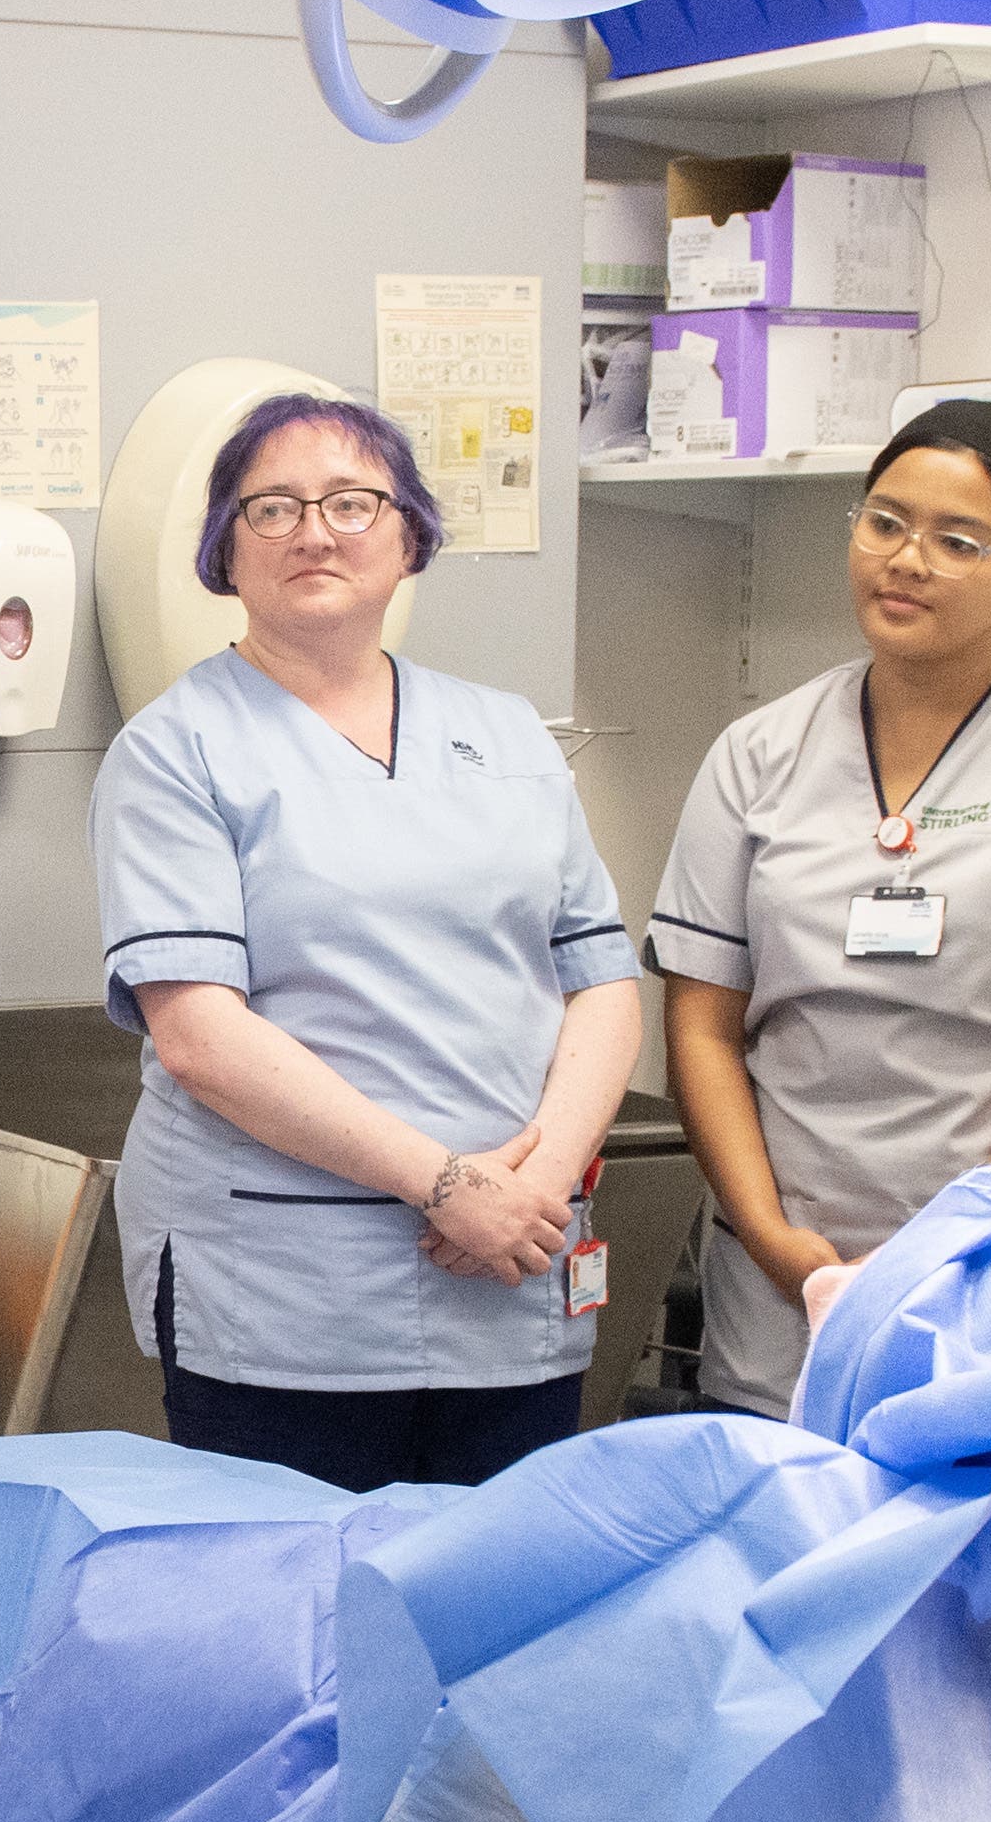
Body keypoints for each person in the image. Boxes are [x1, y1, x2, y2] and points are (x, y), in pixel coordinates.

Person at [92, 393, 648, 1490]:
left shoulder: (505, 733)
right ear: (223, 551)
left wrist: (530, 1186)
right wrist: (445, 1186)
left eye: (352, 501)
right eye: (273, 507)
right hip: (294, 1299)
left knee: (490, 1612)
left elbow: (601, 977)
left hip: (512, 1276)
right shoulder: (176, 751)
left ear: (409, 537)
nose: (315, 529)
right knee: (297, 1615)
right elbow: (202, 1037)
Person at [646, 400, 991, 1412]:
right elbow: (702, 1027)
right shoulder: (761, 752)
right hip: (779, 1270)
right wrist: (767, 1234)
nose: (907, 559)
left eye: (958, 540)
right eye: (885, 521)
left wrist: (951, 1243)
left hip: (985, 1266)